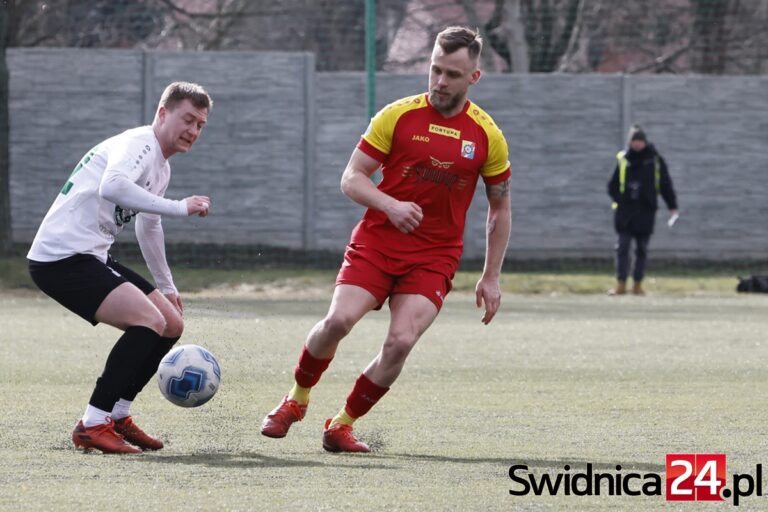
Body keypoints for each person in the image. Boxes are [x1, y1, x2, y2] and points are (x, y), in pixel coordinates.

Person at [260, 26, 512, 453]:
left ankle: (342, 425)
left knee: (400, 342)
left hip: (434, 255)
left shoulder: (487, 136)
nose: (440, 82)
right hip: (378, 241)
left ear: (474, 77)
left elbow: (500, 208)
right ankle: (295, 400)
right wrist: (390, 205)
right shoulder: (397, 116)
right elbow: (351, 178)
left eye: (452, 74)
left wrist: (491, 276)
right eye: (435, 70)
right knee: (338, 321)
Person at [27, 82, 213, 454]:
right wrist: (179, 206)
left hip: (89, 255)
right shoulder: (138, 144)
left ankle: (117, 414)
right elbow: (112, 186)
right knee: (148, 321)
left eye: (201, 125)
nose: (193, 131)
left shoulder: (160, 166)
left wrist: (167, 285)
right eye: (187, 119)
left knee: (170, 323)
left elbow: (148, 224)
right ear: (163, 114)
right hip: (60, 257)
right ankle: (93, 423)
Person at [607, 125, 678, 295]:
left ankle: (637, 284)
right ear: (630, 143)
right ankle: (621, 283)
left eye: (640, 141)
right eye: (634, 141)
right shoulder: (623, 159)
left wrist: (672, 205)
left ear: (645, 142)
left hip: (646, 211)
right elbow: (612, 186)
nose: (637, 144)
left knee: (642, 249)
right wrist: (621, 200)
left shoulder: (655, 160)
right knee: (622, 247)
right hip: (625, 212)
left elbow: (665, 184)